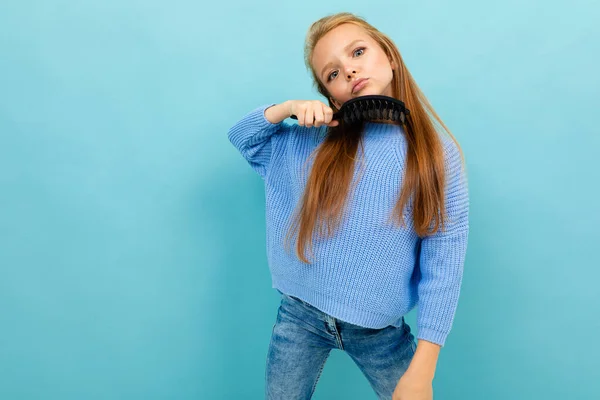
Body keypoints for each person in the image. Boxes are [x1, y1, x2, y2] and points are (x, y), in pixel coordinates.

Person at [227, 11, 469, 400]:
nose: (350, 72)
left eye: (358, 52)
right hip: (299, 317)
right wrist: (285, 108)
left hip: (380, 332)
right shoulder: (307, 142)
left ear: (388, 54)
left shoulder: (436, 156)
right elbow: (244, 138)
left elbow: (444, 263)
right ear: (329, 94)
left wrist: (424, 365)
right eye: (332, 74)